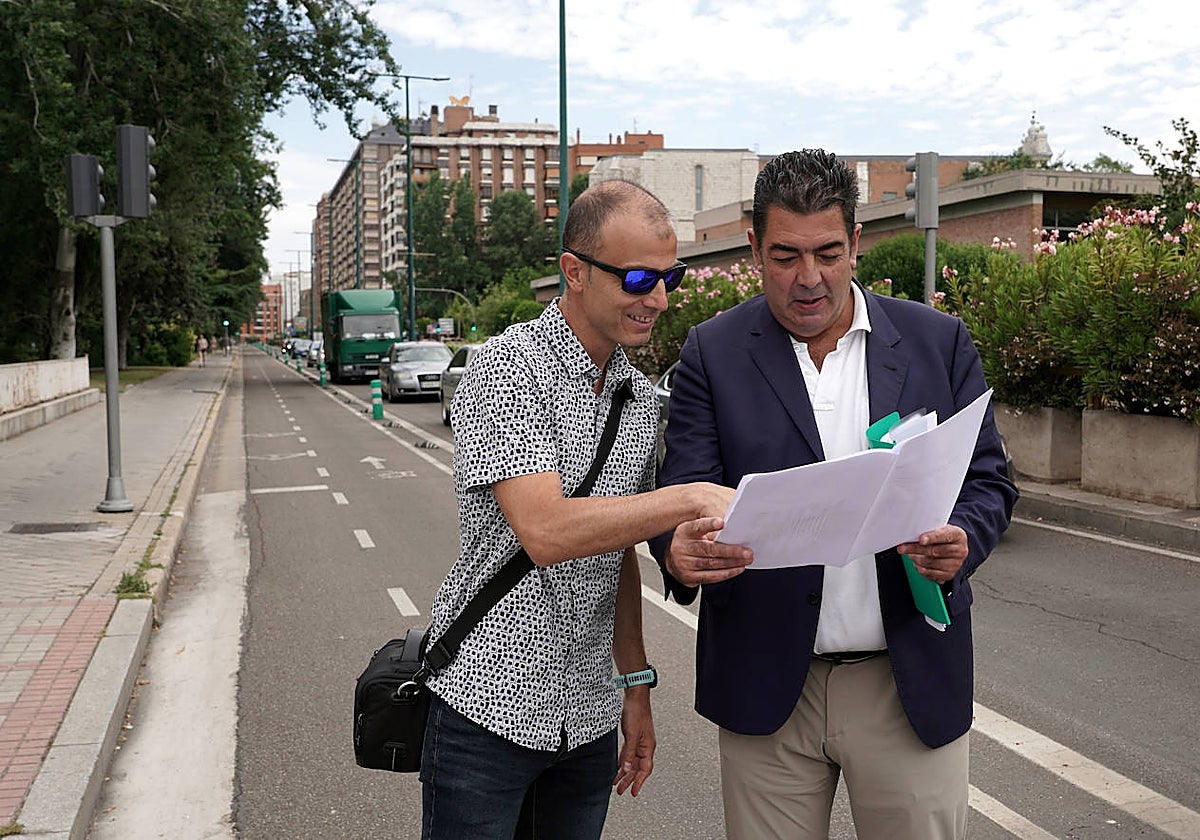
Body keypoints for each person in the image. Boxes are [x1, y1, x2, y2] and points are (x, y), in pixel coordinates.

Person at [651, 149, 1018, 839]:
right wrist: (678, 551)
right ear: (754, 247)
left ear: (855, 242)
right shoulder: (712, 353)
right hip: (766, 687)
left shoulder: (938, 343)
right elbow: (680, 494)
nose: (808, 279)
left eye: (827, 252)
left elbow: (989, 478)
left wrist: (963, 538)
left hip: (906, 682)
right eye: (785, 256)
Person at [420, 180, 736, 840]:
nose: (658, 299)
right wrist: (688, 497)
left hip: (586, 723)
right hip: (487, 711)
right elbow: (547, 530)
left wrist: (638, 686)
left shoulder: (640, 399)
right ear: (574, 271)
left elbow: (614, 546)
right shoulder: (507, 369)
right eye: (639, 278)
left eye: (669, 277)